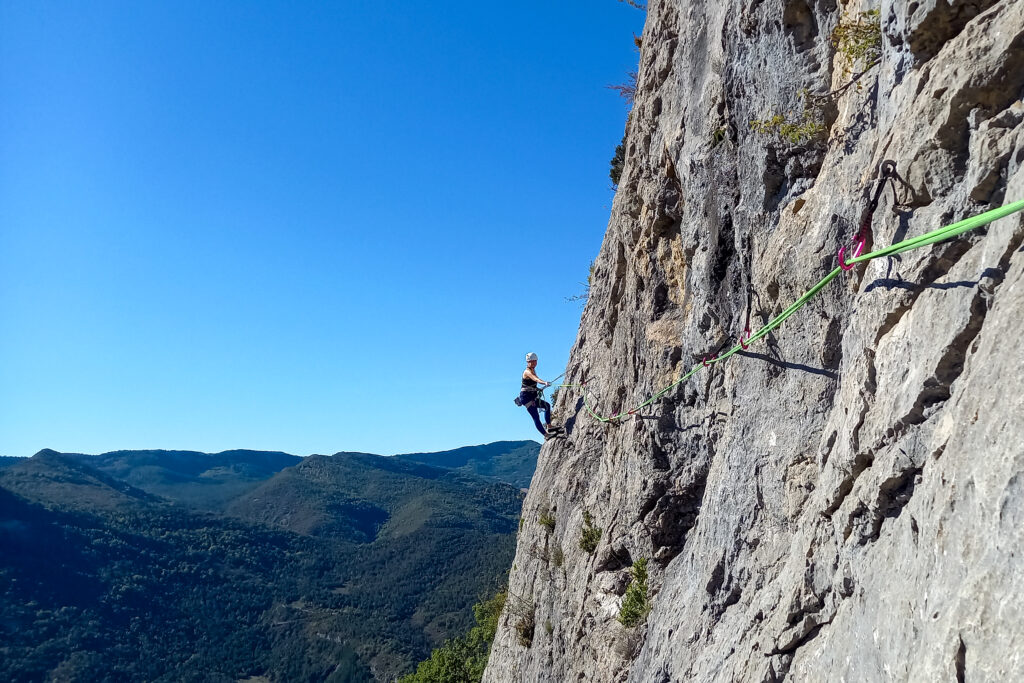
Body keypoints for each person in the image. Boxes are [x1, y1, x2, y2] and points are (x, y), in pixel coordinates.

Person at [519, 352, 561, 437]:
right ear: (528, 362)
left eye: (535, 361)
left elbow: (531, 384)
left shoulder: (533, 370)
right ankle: (546, 435)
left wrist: (538, 389)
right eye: (532, 362)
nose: (534, 363)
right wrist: (544, 383)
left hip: (531, 396)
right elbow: (535, 379)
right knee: (536, 416)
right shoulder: (527, 372)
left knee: (547, 406)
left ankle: (549, 427)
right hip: (526, 398)